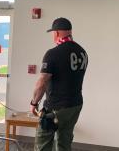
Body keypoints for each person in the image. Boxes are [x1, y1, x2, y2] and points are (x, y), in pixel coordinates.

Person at [30, 17, 88, 151]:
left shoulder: (53, 53)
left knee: (42, 143)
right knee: (64, 142)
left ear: (56, 33)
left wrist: (34, 102)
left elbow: (42, 82)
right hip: (75, 105)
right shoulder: (82, 52)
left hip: (56, 107)